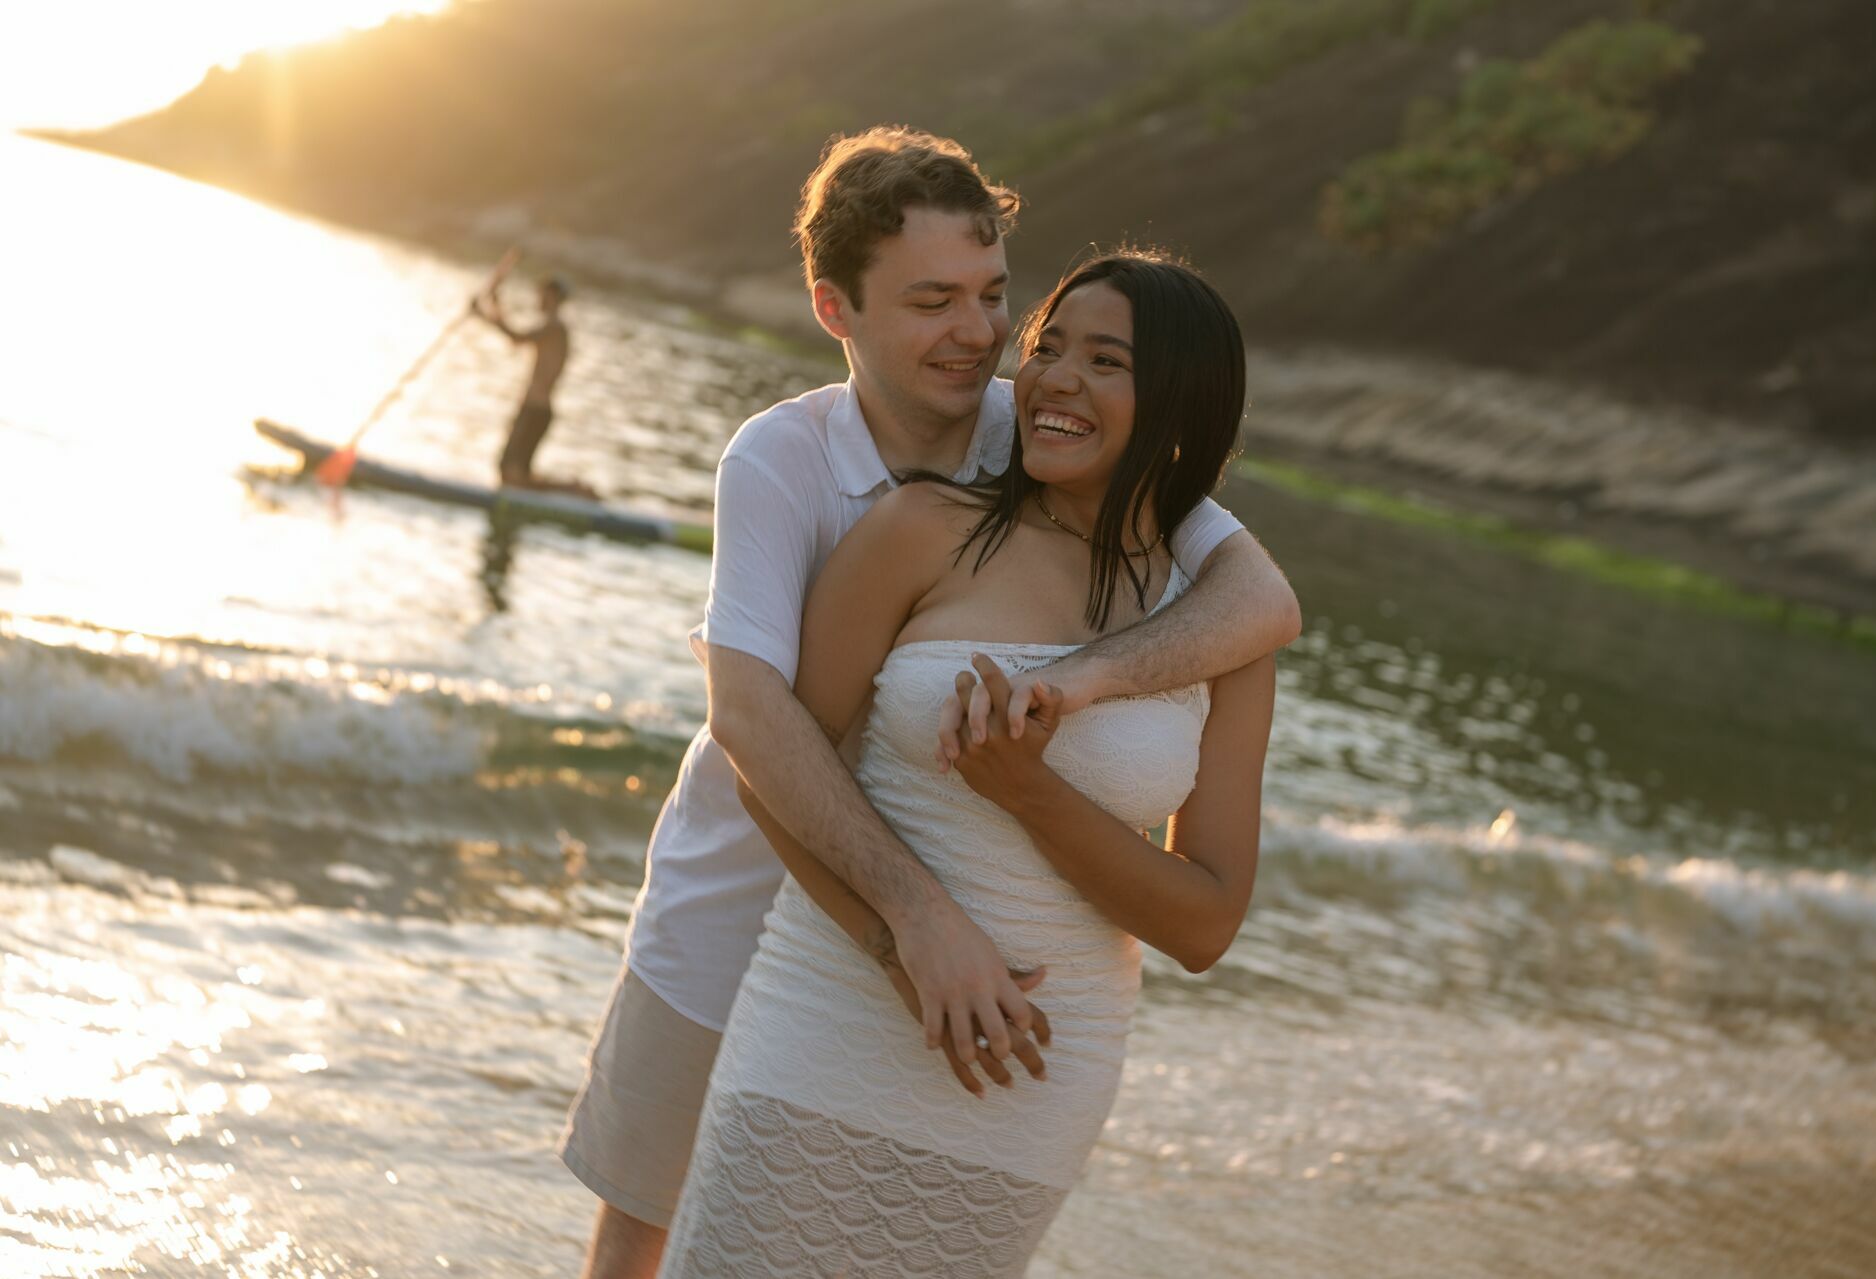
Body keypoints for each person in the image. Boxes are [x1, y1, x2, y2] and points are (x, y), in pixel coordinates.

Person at [561, 128, 1300, 1279]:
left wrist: (1079, 685)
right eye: (932, 301)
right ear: (836, 308)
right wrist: (904, 928)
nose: (980, 335)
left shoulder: (1041, 423)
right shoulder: (782, 461)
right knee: (646, 1227)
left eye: (996, 296)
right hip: (743, 897)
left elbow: (1257, 595)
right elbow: (757, 722)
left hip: (1004, 1004)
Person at [469, 273, 596, 497]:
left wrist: (485, 314)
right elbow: (516, 337)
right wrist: (494, 308)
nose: (538, 299)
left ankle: (575, 491)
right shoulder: (552, 329)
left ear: (554, 297)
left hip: (536, 410)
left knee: (512, 474)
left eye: (543, 295)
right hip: (532, 408)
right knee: (512, 473)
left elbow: (517, 338)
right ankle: (572, 490)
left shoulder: (555, 329)